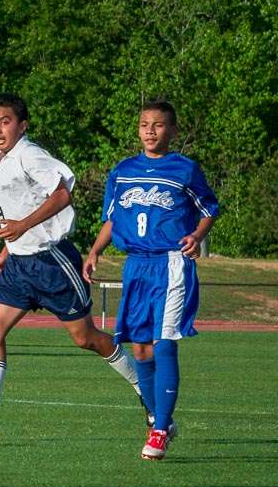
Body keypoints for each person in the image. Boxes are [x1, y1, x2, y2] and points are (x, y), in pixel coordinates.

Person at [0, 94, 142, 439]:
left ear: (23, 125)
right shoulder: (3, 160)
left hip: (52, 261)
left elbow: (63, 193)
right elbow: (19, 207)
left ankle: (146, 389)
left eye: (5, 121)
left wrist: (23, 226)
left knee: (85, 339)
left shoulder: (30, 154)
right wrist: (7, 250)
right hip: (20, 265)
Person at [84, 100, 219, 460]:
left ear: (171, 130)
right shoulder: (124, 171)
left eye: (158, 125)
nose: (150, 130)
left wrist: (197, 235)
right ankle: (158, 419)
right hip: (136, 266)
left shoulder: (185, 169)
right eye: (144, 124)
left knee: (164, 343)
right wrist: (95, 251)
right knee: (140, 348)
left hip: (171, 264)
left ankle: (160, 429)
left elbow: (209, 208)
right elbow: (112, 220)